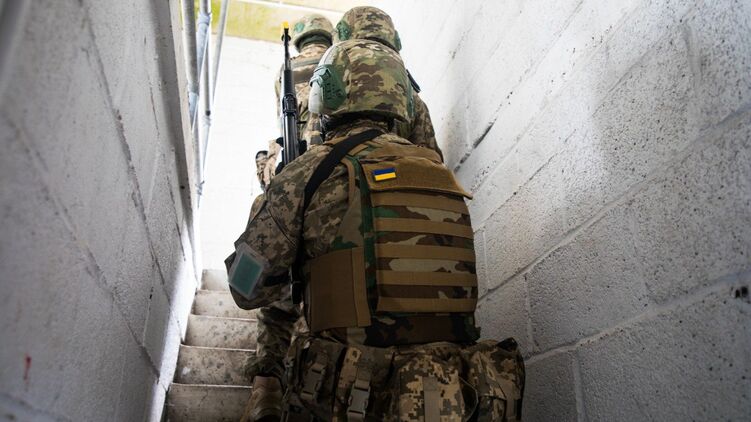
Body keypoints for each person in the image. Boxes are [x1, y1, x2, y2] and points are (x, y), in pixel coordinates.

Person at [228, 38, 524, 421]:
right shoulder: (440, 175)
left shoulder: (308, 171)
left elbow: (245, 288)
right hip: (444, 397)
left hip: (348, 396)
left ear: (326, 94)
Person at [238, 14, 335, 422]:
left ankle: (267, 388)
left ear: (300, 41)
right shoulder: (342, 64)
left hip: (288, 200)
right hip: (336, 200)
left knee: (277, 303)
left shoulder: (287, 70)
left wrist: (267, 163)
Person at [333, 5, 443, 160]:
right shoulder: (411, 96)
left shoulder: (331, 85)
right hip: (397, 173)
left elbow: (313, 148)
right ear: (394, 38)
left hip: (340, 170)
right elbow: (430, 160)